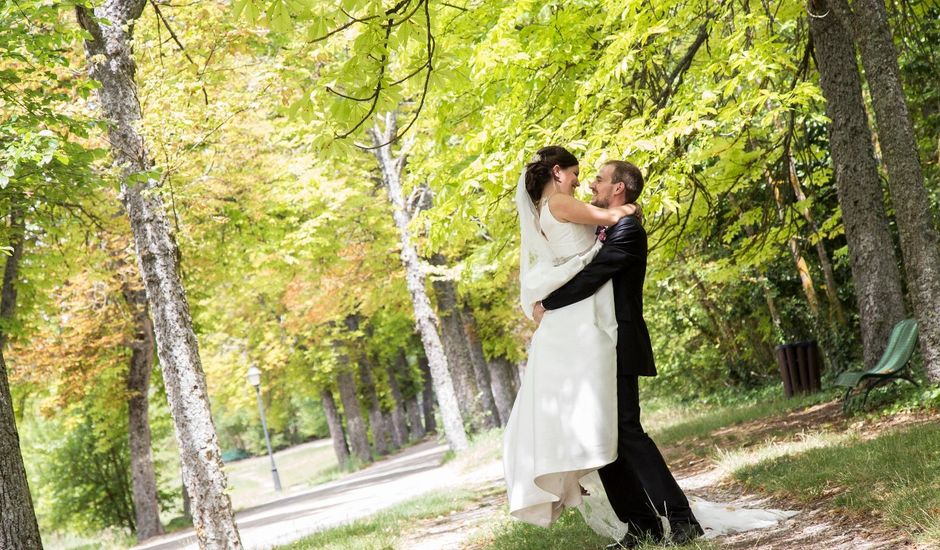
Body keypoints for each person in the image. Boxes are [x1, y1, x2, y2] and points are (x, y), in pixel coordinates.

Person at [535, 160, 703, 548]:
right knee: (602, 437)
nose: (592, 184)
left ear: (619, 190)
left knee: (627, 432)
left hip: (620, 343)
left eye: (600, 179)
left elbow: (595, 275)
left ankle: (681, 518)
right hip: (595, 345)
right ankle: (641, 526)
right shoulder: (604, 225)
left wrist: (548, 302)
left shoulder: (628, 231)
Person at [502, 146, 637, 528]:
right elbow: (612, 215)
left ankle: (633, 509)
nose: (581, 181)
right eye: (576, 174)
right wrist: (626, 209)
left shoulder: (552, 209)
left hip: (583, 306)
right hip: (582, 311)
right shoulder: (560, 205)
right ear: (558, 172)